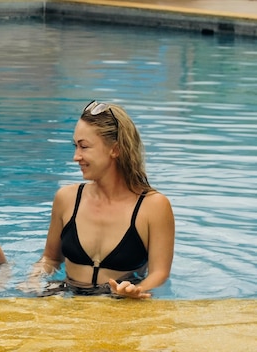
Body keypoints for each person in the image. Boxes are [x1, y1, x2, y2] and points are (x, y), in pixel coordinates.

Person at [28, 101, 175, 299]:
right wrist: (34, 277)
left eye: (84, 147)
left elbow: (160, 273)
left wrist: (135, 292)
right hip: (66, 296)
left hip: (118, 303)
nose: (76, 157)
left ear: (115, 149)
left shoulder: (153, 206)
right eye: (75, 146)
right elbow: (51, 258)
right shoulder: (67, 198)